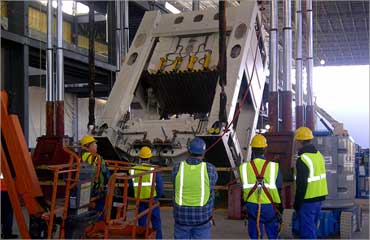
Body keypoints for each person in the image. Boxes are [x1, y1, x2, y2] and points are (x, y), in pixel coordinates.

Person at [172, 137, 218, 239]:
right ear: (204, 152)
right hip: (202, 218)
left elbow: (175, 185)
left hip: (181, 217)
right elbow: (211, 186)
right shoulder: (210, 169)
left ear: (188, 151)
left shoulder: (177, 167)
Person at [239, 134, 282, 239]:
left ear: (252, 149)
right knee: (273, 234)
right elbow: (279, 187)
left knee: (255, 234)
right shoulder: (273, 167)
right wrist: (280, 208)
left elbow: (242, 186)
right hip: (269, 206)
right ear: (265, 149)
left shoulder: (243, 167)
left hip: (252, 205)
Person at [294, 127, 328, 239]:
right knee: (312, 227)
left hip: (307, 200)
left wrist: (297, 203)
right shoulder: (319, 155)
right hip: (319, 198)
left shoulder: (303, 159)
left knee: (307, 231)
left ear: (300, 141)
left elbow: (301, 185)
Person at [130, 146, 163, 239]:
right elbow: (160, 186)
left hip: (139, 201)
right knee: (156, 223)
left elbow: (130, 186)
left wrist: (134, 196)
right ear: (150, 158)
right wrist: (157, 197)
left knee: (142, 224)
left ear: (139, 158)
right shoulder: (153, 169)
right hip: (152, 200)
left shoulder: (133, 169)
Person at [80, 135, 110, 218]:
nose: (96, 145)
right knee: (101, 206)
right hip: (96, 189)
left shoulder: (78, 157)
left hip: (82, 188)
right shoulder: (97, 158)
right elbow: (105, 173)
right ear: (88, 145)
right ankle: (99, 224)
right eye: (94, 144)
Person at [1, 173, 18, 239]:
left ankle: (6, 233)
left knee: (4, 212)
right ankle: (7, 234)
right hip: (6, 189)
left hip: (5, 189)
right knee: (8, 212)